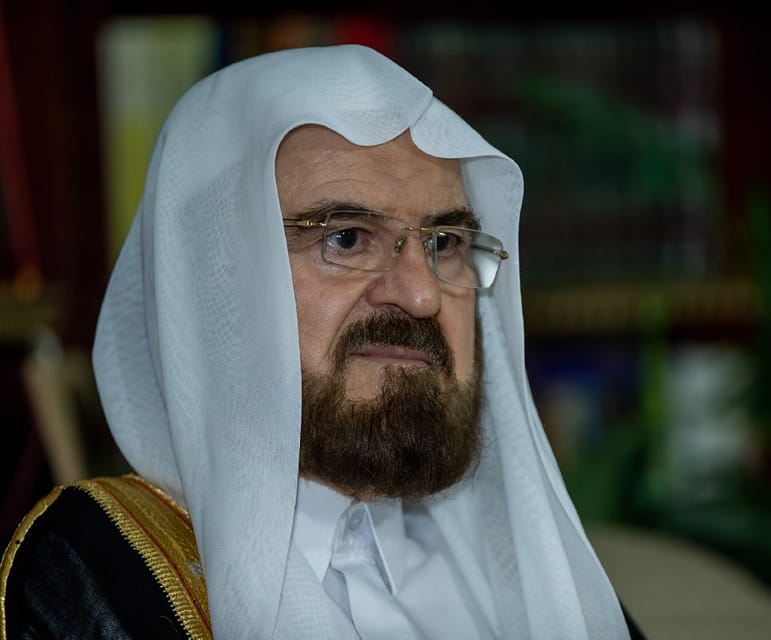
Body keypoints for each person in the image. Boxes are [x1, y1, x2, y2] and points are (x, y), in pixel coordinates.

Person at [1, 45, 643, 639]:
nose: (421, 295)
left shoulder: (541, 577)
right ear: (215, 288)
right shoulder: (101, 575)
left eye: (446, 243)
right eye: (347, 238)